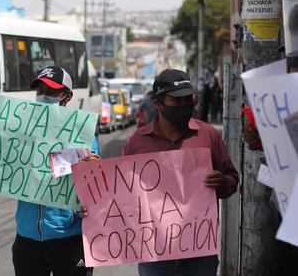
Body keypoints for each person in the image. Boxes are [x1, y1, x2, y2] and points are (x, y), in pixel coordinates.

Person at [83, 69, 239, 276]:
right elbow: (120, 192)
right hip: (154, 256)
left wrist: (222, 183)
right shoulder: (137, 142)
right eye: (177, 101)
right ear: (158, 104)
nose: (185, 106)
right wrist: (95, 207)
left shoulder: (207, 135)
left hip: (199, 256)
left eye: (188, 99)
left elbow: (232, 179)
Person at [0, 66, 100, 276]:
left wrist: (94, 169)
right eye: (40, 91)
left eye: (51, 91)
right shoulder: (22, 128)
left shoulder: (82, 134)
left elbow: (97, 185)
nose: (44, 96)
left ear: (67, 96)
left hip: (70, 239)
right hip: (27, 239)